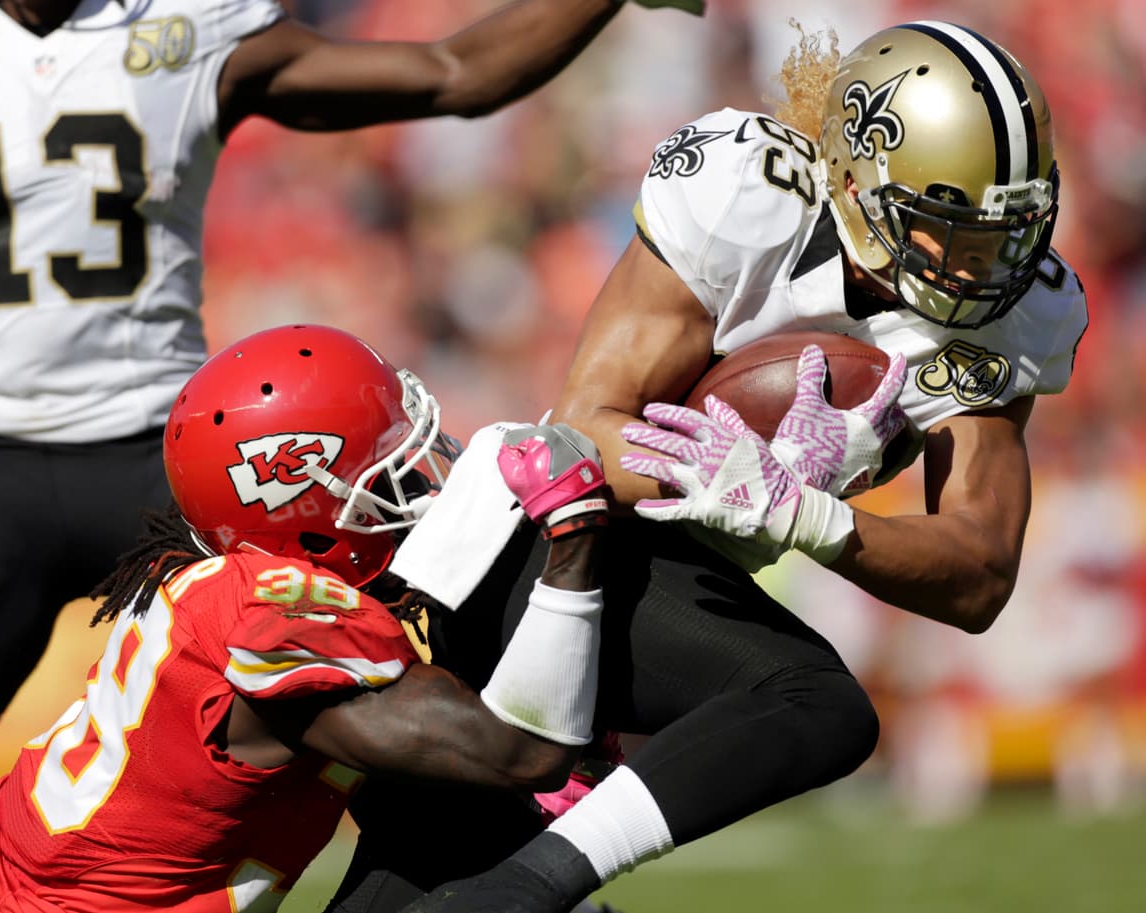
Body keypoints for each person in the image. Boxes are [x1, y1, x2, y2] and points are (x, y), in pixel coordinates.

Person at [0, 0, 705, 884]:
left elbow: (459, 72)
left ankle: (504, 885)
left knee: (398, 718)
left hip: (166, 473)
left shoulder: (182, 28)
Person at [319, 20, 1088, 913]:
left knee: (401, 887)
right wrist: (740, 473)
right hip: (543, 538)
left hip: (672, 581)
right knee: (813, 701)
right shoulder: (746, 195)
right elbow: (577, 437)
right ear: (851, 180)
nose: (982, 267)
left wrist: (808, 517)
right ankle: (527, 889)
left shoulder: (1009, 315)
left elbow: (980, 572)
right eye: (947, 228)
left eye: (1005, 233)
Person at [0, 322, 617, 912]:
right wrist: (574, 539)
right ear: (304, 491)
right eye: (392, 466)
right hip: (3, 904)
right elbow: (526, 751)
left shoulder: (233, 586)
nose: (424, 477)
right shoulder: (275, 613)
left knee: (456, 818)